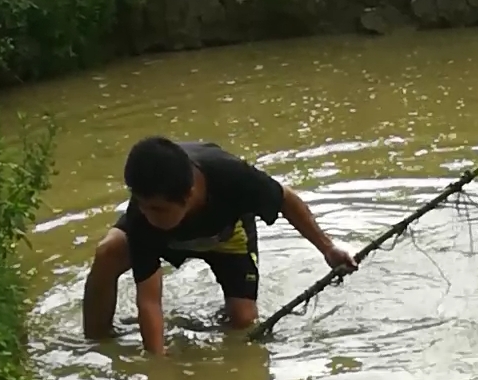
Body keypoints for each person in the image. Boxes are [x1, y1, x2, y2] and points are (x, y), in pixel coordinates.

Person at [83, 135, 356, 355]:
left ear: (189, 195)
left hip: (225, 236)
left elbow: (285, 198)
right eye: (141, 204)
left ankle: (205, 323)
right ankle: (94, 342)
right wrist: (158, 362)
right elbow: (149, 300)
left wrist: (328, 249)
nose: (148, 215)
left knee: (243, 322)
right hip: (167, 239)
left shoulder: (232, 176)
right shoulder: (143, 217)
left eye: (157, 209)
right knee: (109, 250)